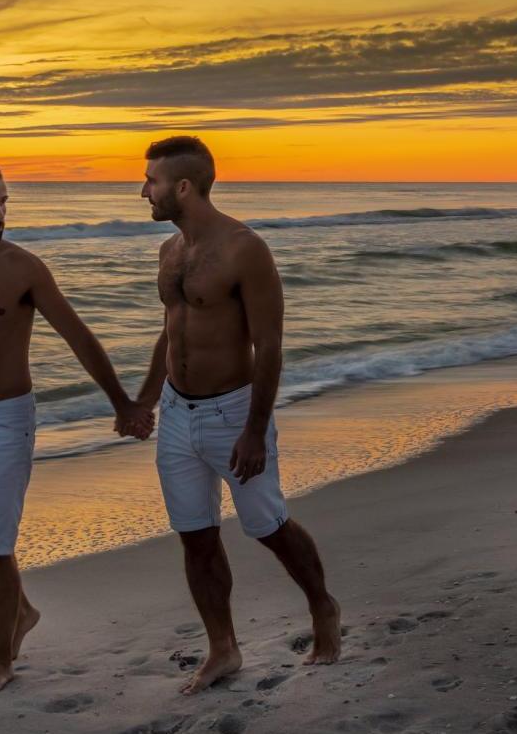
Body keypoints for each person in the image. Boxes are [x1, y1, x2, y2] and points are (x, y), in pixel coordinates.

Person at [0, 160, 153, 699]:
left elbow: (78, 336)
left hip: (6, 418)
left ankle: (0, 659)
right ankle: (22, 612)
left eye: (3, 202)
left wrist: (123, 403)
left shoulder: (25, 268)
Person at [134, 136, 341, 694]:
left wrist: (254, 430)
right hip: (178, 412)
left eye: (150, 180)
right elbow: (171, 331)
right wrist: (146, 399)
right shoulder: (170, 252)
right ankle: (223, 648)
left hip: (233, 412)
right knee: (195, 536)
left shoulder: (245, 249)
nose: (142, 190)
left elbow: (269, 345)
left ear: (182, 186)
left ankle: (322, 607)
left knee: (267, 525)